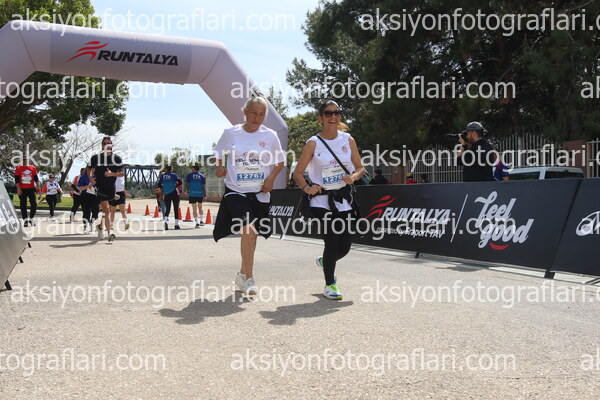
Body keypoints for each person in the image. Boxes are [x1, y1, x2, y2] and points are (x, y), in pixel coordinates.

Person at [293, 100, 365, 300]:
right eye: (328, 113)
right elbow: (298, 173)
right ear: (321, 118)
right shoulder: (313, 143)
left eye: (337, 112)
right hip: (321, 201)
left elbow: (360, 167)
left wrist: (354, 176)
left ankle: (326, 262)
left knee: (345, 247)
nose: (333, 116)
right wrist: (307, 188)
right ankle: (330, 284)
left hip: (343, 199)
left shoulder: (348, 140)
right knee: (332, 242)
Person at [213, 96, 284, 296]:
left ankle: (242, 274)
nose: (257, 118)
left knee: (252, 236)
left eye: (261, 114)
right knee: (249, 230)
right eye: (254, 113)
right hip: (236, 191)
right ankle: (250, 279)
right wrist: (219, 166)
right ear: (245, 112)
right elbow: (218, 152)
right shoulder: (231, 133)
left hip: (259, 193)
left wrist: (271, 179)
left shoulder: (270, 136)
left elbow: (279, 161)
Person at [90, 137, 124, 242]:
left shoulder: (116, 159)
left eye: (109, 143)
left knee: (106, 212)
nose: (107, 145)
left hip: (111, 188)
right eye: (105, 143)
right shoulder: (96, 158)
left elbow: (122, 173)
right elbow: (89, 169)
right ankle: (110, 232)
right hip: (100, 187)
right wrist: (91, 178)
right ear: (102, 145)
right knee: (106, 209)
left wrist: (111, 174)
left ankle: (100, 226)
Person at [15, 155, 41, 226]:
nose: (24, 161)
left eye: (25, 159)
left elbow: (36, 179)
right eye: (23, 159)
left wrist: (38, 187)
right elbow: (16, 180)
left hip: (31, 189)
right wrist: (18, 188)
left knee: (34, 204)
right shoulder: (18, 168)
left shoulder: (33, 168)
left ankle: (31, 219)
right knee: (23, 205)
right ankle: (25, 220)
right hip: (22, 189)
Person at [158, 165, 182, 230]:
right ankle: (176, 224)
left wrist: (164, 187)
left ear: (165, 169)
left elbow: (159, 184)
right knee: (176, 209)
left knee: (167, 209)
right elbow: (180, 182)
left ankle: (166, 222)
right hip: (174, 192)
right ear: (171, 169)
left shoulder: (163, 176)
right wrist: (175, 185)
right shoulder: (173, 175)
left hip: (166, 193)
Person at [77, 166, 99, 234]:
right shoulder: (83, 177)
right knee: (86, 212)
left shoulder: (97, 176)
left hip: (95, 196)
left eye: (93, 168)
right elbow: (79, 188)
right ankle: (86, 227)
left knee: (96, 211)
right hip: (85, 196)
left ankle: (92, 222)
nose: (92, 170)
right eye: (89, 168)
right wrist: (88, 186)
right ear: (87, 169)